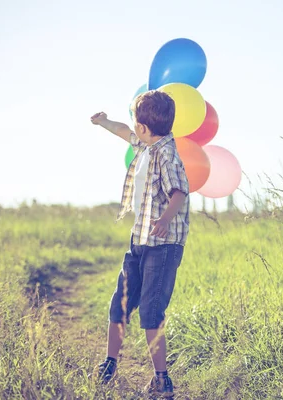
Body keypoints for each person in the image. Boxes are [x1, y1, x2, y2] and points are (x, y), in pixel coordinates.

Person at [90, 90, 189, 398]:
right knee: (119, 303)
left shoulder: (167, 154)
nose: (133, 128)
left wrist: (165, 220)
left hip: (163, 245)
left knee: (150, 310)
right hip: (139, 242)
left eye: (136, 122)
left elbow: (179, 192)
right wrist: (105, 122)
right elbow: (124, 132)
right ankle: (110, 363)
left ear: (146, 128)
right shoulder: (145, 144)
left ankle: (162, 379)